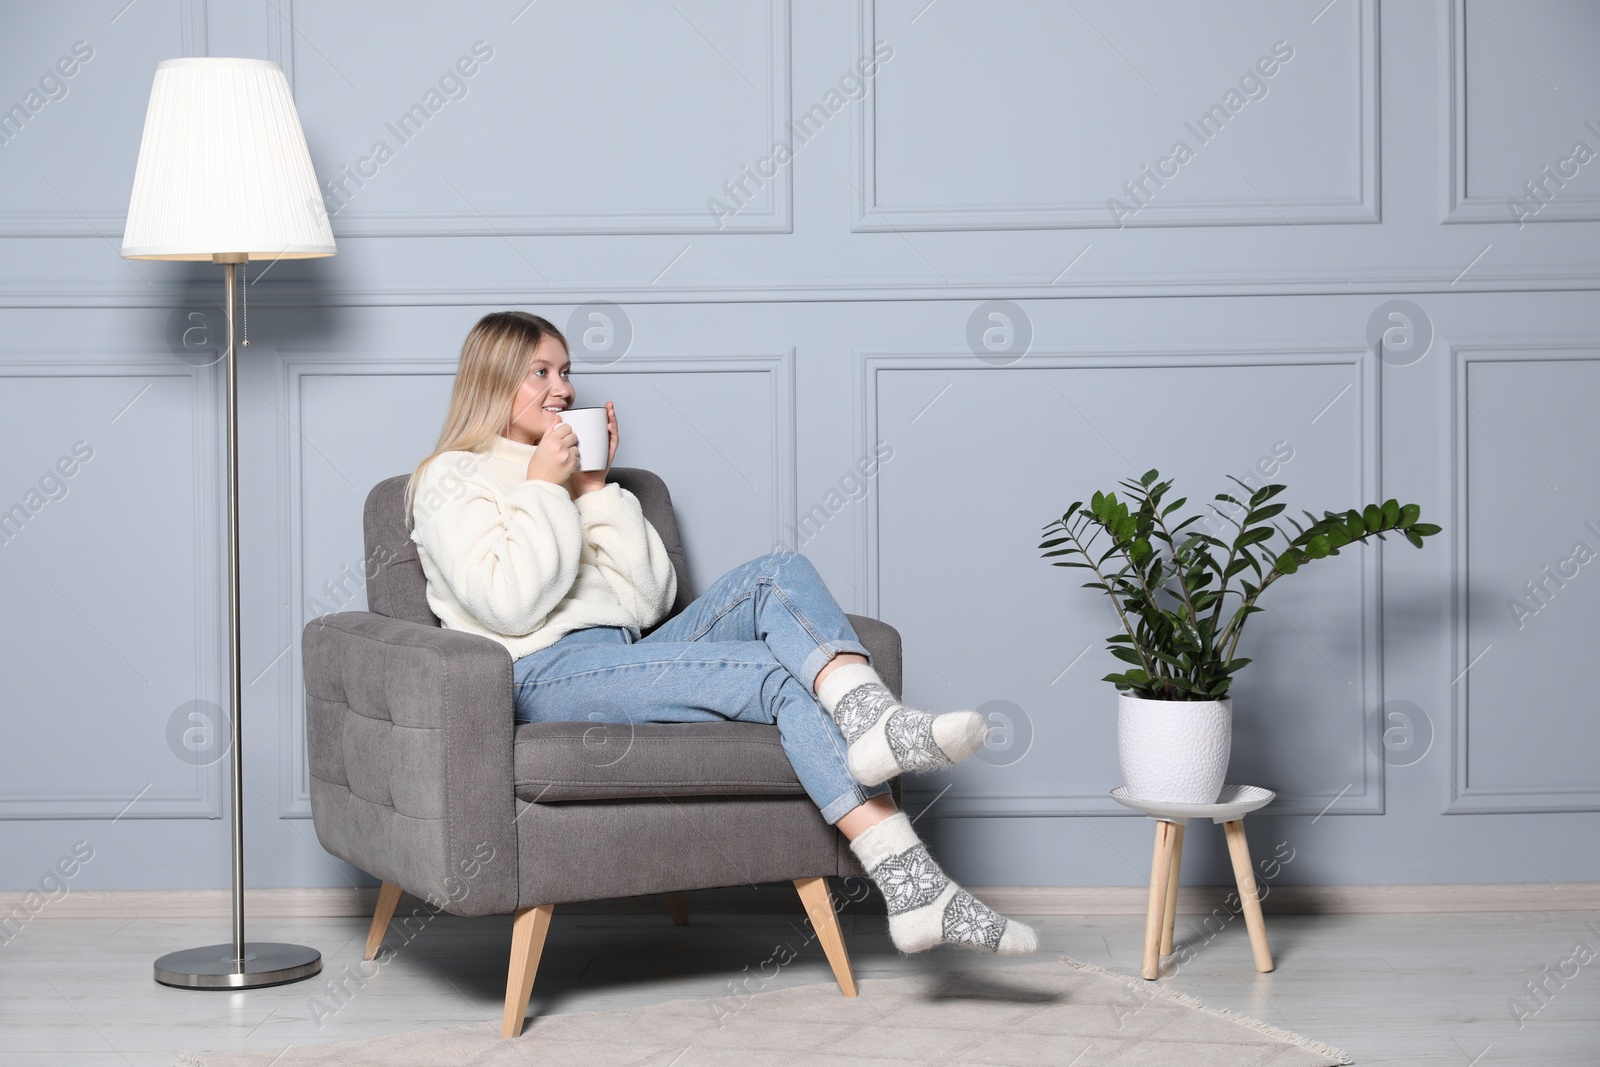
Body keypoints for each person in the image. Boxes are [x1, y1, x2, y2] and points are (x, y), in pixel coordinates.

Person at [403, 310, 1037, 956]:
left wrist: (593, 490)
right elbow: (509, 603)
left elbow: (650, 599)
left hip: (626, 653)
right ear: (493, 378)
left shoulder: (568, 476)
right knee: (770, 675)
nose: (562, 389)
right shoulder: (451, 477)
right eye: (540, 372)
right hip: (542, 674)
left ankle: (878, 744)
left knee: (779, 574)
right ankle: (913, 880)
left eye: (565, 371)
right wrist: (543, 486)